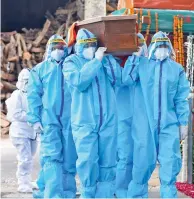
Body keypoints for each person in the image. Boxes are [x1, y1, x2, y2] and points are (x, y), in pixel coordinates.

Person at [123, 31, 190, 198]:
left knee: (169, 164)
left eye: (165, 45)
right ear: (152, 47)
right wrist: (134, 59)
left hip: (168, 125)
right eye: (159, 45)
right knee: (141, 165)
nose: (162, 49)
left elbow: (181, 97)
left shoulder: (176, 69)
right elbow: (127, 79)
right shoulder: (142, 65)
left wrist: (183, 122)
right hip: (144, 125)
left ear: (169, 47)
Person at [63, 28, 121, 198]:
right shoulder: (71, 62)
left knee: (108, 161)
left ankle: (105, 195)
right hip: (84, 121)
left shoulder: (104, 61)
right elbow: (79, 81)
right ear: (79, 46)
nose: (90, 48)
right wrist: (96, 61)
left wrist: (110, 60)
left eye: (93, 45)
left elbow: (120, 79)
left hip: (108, 120)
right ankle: (88, 194)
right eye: (86, 45)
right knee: (87, 161)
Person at [27, 35, 77, 198]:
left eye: (61, 48)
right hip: (49, 120)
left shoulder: (70, 68)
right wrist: (34, 118)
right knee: (52, 157)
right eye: (54, 48)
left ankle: (68, 192)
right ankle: (54, 194)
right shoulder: (40, 70)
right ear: (49, 50)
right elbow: (33, 95)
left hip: (70, 120)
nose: (58, 51)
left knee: (69, 157)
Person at [115, 33, 148, 198]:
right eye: (136, 45)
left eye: (141, 45)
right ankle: (121, 191)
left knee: (142, 156)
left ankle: (137, 191)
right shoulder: (123, 64)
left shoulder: (150, 65)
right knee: (125, 156)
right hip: (123, 116)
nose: (139, 48)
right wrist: (134, 60)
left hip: (142, 117)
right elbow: (125, 80)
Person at [5, 69, 38, 193]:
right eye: (25, 81)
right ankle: (23, 183)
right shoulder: (17, 95)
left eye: (29, 81)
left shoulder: (33, 95)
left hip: (31, 132)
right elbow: (15, 114)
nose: (27, 83)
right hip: (20, 132)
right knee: (24, 158)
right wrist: (32, 116)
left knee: (30, 156)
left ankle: (27, 180)